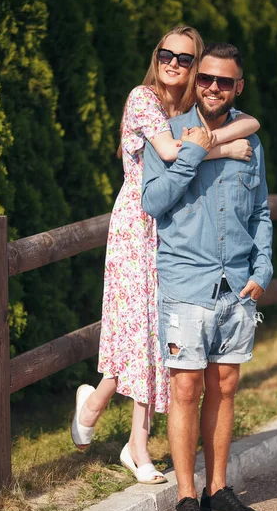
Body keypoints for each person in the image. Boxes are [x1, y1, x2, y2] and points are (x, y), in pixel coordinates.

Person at [71, 27, 261, 485]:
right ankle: (109, 419)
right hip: (139, 224)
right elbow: (175, 152)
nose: (173, 62)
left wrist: (221, 140)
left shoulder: (182, 111)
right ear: (155, 57)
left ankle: (131, 437)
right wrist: (223, 148)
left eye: (184, 57)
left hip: (171, 230)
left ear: (196, 67)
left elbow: (250, 125)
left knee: (156, 334)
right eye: (165, 53)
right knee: (142, 331)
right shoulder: (143, 99)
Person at [142, 43, 273, 511]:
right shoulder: (169, 136)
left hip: (236, 285)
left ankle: (218, 489)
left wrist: (262, 272)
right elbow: (153, 202)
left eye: (224, 81)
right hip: (185, 281)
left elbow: (260, 211)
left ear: (238, 86)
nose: (213, 88)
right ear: (196, 80)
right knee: (185, 388)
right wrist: (195, 151)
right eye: (206, 79)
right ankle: (186, 497)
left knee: (225, 385)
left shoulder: (252, 140)